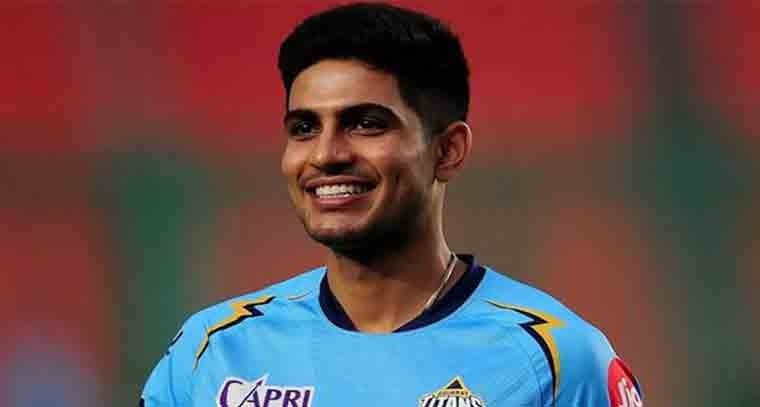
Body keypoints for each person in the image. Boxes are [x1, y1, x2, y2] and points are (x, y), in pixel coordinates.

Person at [140, 3, 643, 406]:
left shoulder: (557, 361)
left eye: (366, 124)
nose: (326, 154)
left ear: (448, 150)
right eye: (304, 128)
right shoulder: (213, 350)